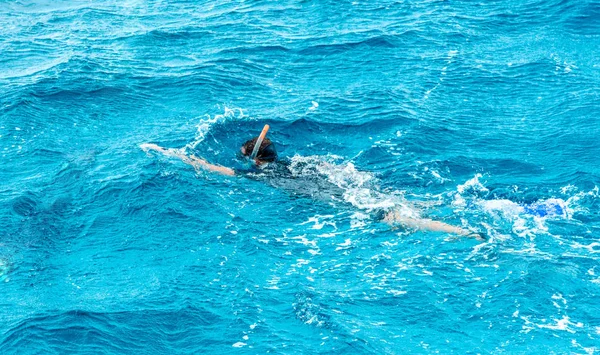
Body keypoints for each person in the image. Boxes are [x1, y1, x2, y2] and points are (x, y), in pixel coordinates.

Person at [140, 125, 486, 241]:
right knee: (393, 201)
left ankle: (460, 232)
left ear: (253, 159)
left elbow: (211, 168)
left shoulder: (255, 176)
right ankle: (458, 208)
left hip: (332, 198)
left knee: (391, 217)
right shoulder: (299, 162)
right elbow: (331, 169)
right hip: (336, 182)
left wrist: (171, 153)